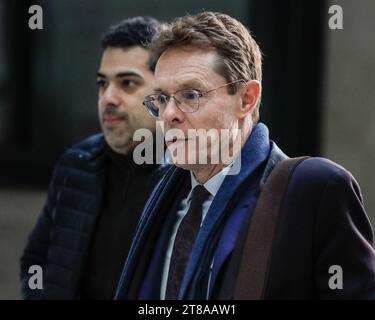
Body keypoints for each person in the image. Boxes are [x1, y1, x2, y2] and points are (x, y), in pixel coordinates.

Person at [115, 11, 375, 300]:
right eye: (162, 99)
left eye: (190, 95)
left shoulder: (314, 188)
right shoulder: (161, 192)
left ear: (246, 99)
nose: (170, 115)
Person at [20, 16, 164, 299]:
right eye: (102, 83)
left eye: (127, 83)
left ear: (163, 95)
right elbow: (36, 259)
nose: (108, 97)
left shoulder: (186, 177)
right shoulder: (77, 164)